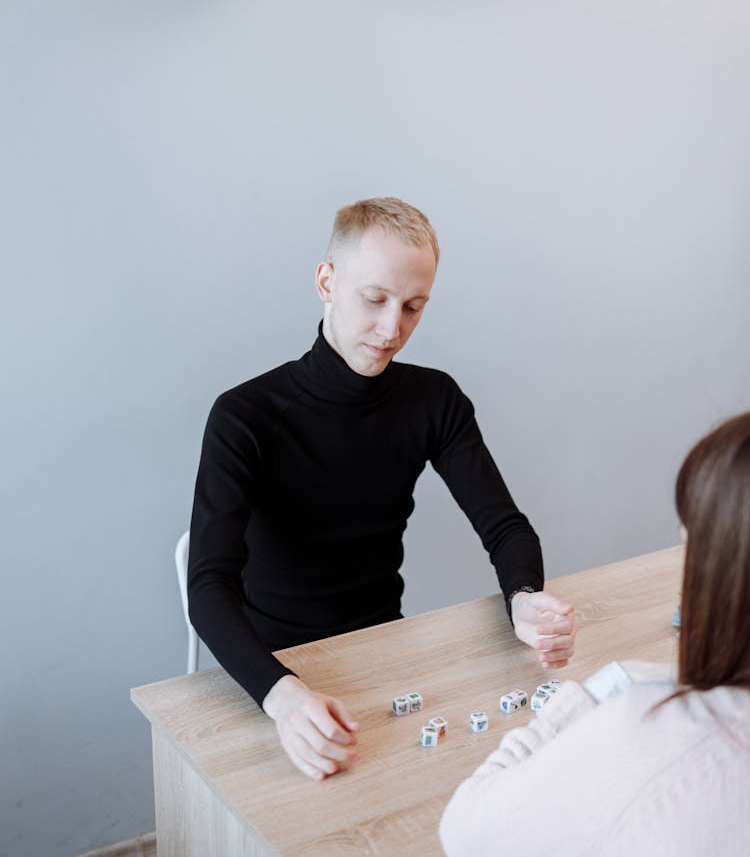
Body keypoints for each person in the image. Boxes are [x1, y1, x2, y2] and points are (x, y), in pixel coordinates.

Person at [188, 197, 577, 781]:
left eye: (414, 307)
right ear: (326, 281)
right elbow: (208, 587)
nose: (392, 328)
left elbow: (505, 527)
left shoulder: (433, 399)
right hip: (271, 669)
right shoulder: (244, 415)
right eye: (374, 300)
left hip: (383, 649)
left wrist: (523, 595)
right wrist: (283, 696)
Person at [439, 411, 750, 857]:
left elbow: (465, 832)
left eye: (688, 546)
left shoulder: (659, 728)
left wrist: (602, 692)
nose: (391, 335)